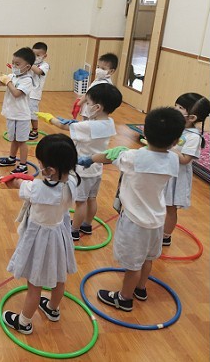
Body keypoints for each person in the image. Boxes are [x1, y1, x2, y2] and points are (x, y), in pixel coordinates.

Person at [78, 107, 185, 311]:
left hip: (134, 221)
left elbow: (108, 156)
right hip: (157, 220)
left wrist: (90, 159)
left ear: (145, 134)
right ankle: (140, 289)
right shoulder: (173, 159)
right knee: (148, 259)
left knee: (133, 265)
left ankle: (124, 298)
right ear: (174, 141)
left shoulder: (133, 157)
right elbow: (172, 152)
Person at [0, 134, 80, 334]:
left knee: (34, 285)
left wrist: (12, 180)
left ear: (50, 170)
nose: (39, 167)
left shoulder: (37, 188)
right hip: (59, 235)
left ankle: (24, 322)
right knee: (59, 278)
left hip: (39, 239)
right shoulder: (72, 182)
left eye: (41, 164)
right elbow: (44, 185)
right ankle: (52, 308)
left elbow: (18, 185)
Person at [37, 83, 123, 240]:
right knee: (92, 199)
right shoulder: (109, 122)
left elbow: (63, 126)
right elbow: (88, 126)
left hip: (82, 171)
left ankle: (74, 230)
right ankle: (87, 225)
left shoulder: (88, 126)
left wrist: (50, 118)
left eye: (88, 103)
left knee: (80, 202)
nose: (86, 106)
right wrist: (75, 123)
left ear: (97, 107)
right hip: (96, 169)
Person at [163, 93, 210, 246]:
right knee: (159, 202)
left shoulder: (194, 137)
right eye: (175, 105)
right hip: (165, 170)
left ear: (192, 117)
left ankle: (165, 236)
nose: (175, 109)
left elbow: (185, 160)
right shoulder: (176, 127)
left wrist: (169, 147)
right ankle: (156, 228)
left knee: (170, 207)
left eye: (180, 108)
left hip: (177, 176)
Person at [0, 47, 36, 174]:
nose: (14, 66)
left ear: (27, 67)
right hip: (11, 114)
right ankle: (11, 158)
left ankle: (23, 165)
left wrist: (8, 82)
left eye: (17, 64)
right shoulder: (13, 76)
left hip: (22, 116)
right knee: (14, 139)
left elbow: (16, 93)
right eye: (13, 63)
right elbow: (1, 82)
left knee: (21, 141)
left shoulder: (27, 80)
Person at [28, 42, 50, 140]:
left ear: (44, 56)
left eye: (38, 55)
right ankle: (24, 129)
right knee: (24, 112)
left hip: (34, 94)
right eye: (33, 55)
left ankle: (35, 130)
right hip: (25, 92)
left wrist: (29, 63)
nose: (35, 57)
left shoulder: (45, 65)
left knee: (33, 113)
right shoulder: (30, 64)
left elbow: (38, 71)